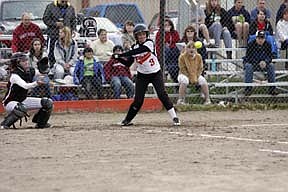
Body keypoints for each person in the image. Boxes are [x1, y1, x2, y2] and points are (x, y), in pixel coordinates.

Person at [112, 24, 180, 126]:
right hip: (142, 75)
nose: (142, 36)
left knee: (162, 94)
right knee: (138, 100)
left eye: (143, 34)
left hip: (155, 73)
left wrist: (121, 54)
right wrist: (117, 58)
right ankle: (127, 120)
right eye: (139, 35)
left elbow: (140, 50)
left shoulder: (149, 43)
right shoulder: (134, 47)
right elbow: (128, 63)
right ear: (136, 36)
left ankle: (175, 117)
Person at [0, 52, 53, 129]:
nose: (26, 62)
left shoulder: (30, 70)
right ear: (17, 63)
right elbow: (25, 86)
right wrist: (36, 83)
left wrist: (45, 70)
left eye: (26, 60)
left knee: (48, 102)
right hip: (10, 102)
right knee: (21, 108)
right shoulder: (15, 75)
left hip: (23, 99)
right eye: (23, 61)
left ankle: (41, 123)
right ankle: (4, 124)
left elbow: (42, 73)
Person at [43, 0, 76, 67]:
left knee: (67, 52)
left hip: (67, 35)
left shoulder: (71, 8)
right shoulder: (50, 6)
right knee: (52, 53)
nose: (64, 2)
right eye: (62, 1)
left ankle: (66, 66)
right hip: (53, 34)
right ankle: (52, 68)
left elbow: (73, 20)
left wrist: (73, 30)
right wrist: (55, 24)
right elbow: (45, 19)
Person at [243, 30, 277, 96]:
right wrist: (258, 62)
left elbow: (270, 56)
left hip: (264, 64)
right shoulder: (251, 44)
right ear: (256, 38)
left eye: (262, 38)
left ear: (264, 38)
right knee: (248, 66)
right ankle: (248, 89)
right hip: (253, 63)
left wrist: (265, 62)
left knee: (271, 65)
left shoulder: (267, 44)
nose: (260, 40)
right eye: (259, 38)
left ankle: (272, 89)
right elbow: (248, 57)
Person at [155, 18, 180, 83]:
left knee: (172, 49)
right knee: (166, 48)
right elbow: (158, 46)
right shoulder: (159, 34)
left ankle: (177, 82)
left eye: (168, 25)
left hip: (174, 56)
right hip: (164, 56)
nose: (167, 27)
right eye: (165, 25)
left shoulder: (174, 33)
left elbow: (177, 43)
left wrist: (170, 45)